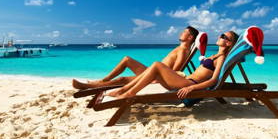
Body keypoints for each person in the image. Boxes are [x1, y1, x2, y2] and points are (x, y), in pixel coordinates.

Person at [107, 31, 239, 99]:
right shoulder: (213, 56)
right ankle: (124, 90)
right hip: (184, 80)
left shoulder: (221, 57)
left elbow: (213, 80)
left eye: (224, 36)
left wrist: (191, 88)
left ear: (228, 43)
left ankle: (128, 92)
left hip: (189, 84)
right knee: (154, 68)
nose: (220, 36)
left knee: (157, 65)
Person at [72, 26, 200, 89]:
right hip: (154, 73)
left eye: (184, 32)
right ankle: (102, 81)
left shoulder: (183, 50)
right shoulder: (181, 48)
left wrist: (156, 79)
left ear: (190, 38)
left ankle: (91, 86)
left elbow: (173, 73)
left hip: (156, 76)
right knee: (126, 60)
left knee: (123, 77)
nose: (181, 32)